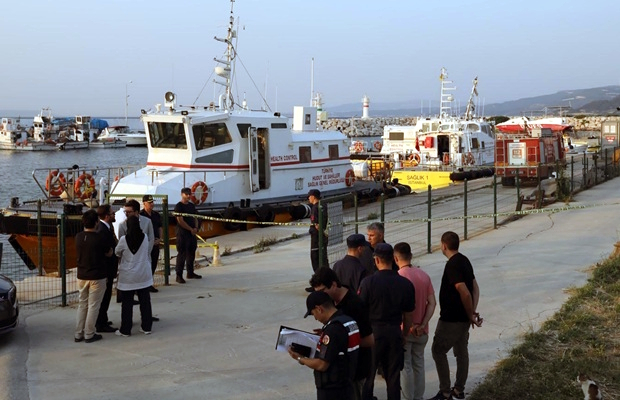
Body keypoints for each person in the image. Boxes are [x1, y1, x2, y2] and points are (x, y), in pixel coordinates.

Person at [428, 232, 482, 400]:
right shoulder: (464, 260)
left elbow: (464, 292)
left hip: (451, 319)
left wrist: (470, 313)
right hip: (463, 318)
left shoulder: (452, 265)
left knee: (438, 351)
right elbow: (475, 288)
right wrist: (471, 312)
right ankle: (459, 389)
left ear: (444, 245)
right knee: (461, 351)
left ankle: (445, 392)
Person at [358, 243, 415, 400]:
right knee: (393, 377)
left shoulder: (367, 283)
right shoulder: (405, 284)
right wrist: (404, 334)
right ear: (394, 259)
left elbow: (360, 311)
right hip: (394, 332)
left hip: (373, 333)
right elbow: (408, 315)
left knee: (369, 375)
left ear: (376, 260)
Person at [310, 267, 374, 400]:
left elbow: (370, 340)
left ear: (334, 285)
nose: (320, 297)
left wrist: (339, 340)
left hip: (356, 369)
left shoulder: (355, 305)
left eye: (322, 291)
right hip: (340, 376)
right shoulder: (331, 303)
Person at [288, 290, 360, 400]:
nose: (316, 318)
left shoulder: (333, 329)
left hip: (332, 390)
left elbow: (322, 364)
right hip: (347, 385)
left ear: (319, 309)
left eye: (313, 314)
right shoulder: (348, 321)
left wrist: (299, 358)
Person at [394, 242, 436, 400]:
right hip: (422, 330)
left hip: (405, 329)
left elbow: (399, 307)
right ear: (411, 256)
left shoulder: (398, 278)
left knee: (406, 366)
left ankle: (408, 397)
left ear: (396, 258)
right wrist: (423, 324)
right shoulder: (424, 276)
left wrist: (409, 326)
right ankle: (419, 397)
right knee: (419, 363)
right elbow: (432, 303)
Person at [74, 209, 112, 343]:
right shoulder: (99, 237)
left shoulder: (78, 237)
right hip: (97, 275)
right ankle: (89, 333)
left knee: (82, 304)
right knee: (93, 305)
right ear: (96, 222)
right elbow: (109, 252)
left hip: (82, 275)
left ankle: (78, 333)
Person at [114, 215, 154, 336]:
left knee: (127, 303)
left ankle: (126, 329)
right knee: (145, 302)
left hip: (128, 276)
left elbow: (117, 252)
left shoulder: (123, 239)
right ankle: (146, 327)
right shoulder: (145, 237)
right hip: (143, 274)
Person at [94, 204, 119, 333]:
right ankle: (101, 323)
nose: (114, 214)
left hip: (109, 268)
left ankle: (103, 318)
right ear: (107, 216)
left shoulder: (107, 228)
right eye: (112, 213)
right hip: (106, 269)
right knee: (104, 297)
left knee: (107, 295)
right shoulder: (102, 230)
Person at [174, 187, 201, 283]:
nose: (188, 196)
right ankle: (179, 275)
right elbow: (180, 220)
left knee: (191, 253)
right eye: (186, 194)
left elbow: (195, 217)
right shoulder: (179, 206)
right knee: (182, 254)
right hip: (182, 234)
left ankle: (190, 272)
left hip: (191, 234)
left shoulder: (191, 206)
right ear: (182, 194)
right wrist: (190, 229)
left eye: (190, 194)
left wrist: (196, 228)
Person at [306, 188, 328, 292]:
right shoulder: (323, 205)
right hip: (323, 237)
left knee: (315, 259)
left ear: (313, 196)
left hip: (316, 238)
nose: (308, 198)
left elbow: (317, 224)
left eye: (309, 196)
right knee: (323, 260)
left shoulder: (315, 208)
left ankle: (318, 283)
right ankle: (325, 281)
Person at [140, 194, 163, 293]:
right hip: (145, 244)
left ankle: (149, 284)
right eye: (149, 203)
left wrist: (159, 239)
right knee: (145, 265)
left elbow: (160, 227)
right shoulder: (141, 215)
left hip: (155, 243)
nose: (152, 204)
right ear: (144, 203)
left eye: (152, 202)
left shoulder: (156, 215)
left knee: (153, 264)